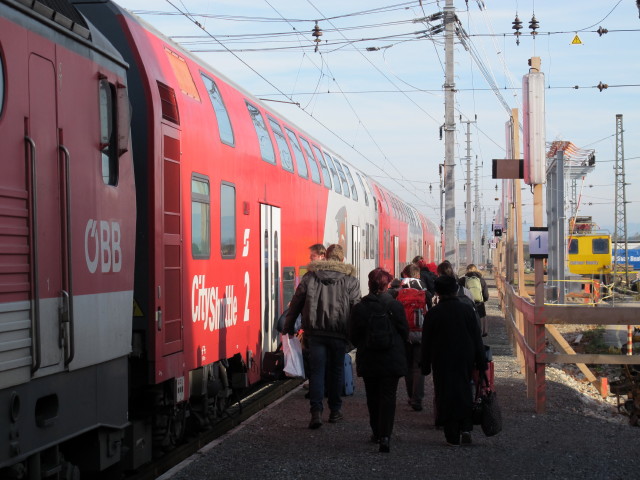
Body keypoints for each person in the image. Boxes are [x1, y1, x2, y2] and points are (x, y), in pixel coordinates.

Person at [283, 243, 361, 429]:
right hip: (338, 334)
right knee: (336, 372)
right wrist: (356, 335)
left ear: (326, 257)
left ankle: (316, 412)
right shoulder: (350, 280)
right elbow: (356, 309)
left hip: (315, 334)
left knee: (317, 373)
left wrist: (288, 326)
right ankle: (335, 411)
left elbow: (296, 303)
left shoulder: (310, 277)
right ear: (342, 259)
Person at [421, 275, 487, 446]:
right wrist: (481, 361)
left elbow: (426, 341)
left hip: (441, 358)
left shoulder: (433, 314)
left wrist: (425, 364)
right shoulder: (467, 310)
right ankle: (466, 427)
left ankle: (451, 434)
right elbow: (476, 338)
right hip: (465, 356)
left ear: (438, 292)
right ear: (456, 290)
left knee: (444, 392)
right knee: (464, 389)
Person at [349, 268, 408, 453]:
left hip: (369, 359)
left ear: (369, 284)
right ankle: (385, 436)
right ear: (387, 285)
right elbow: (404, 331)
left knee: (372, 397)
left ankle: (376, 432)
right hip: (391, 360)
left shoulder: (360, 308)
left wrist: (365, 344)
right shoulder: (395, 306)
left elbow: (353, 335)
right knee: (388, 397)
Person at [459, 264, 490, 336]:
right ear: (476, 270)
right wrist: (481, 300)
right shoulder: (481, 280)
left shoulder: (462, 280)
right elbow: (486, 295)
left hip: (466, 305)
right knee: (479, 331)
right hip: (479, 306)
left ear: (467, 270)